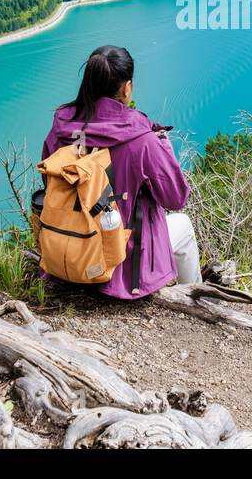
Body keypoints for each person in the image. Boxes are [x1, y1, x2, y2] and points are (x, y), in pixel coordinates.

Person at [40, 45, 202, 298]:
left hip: (69, 249)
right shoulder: (141, 138)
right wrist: (162, 144)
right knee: (184, 224)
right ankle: (193, 298)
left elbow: (49, 181)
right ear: (127, 88)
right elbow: (176, 198)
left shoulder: (62, 126)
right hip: (121, 265)